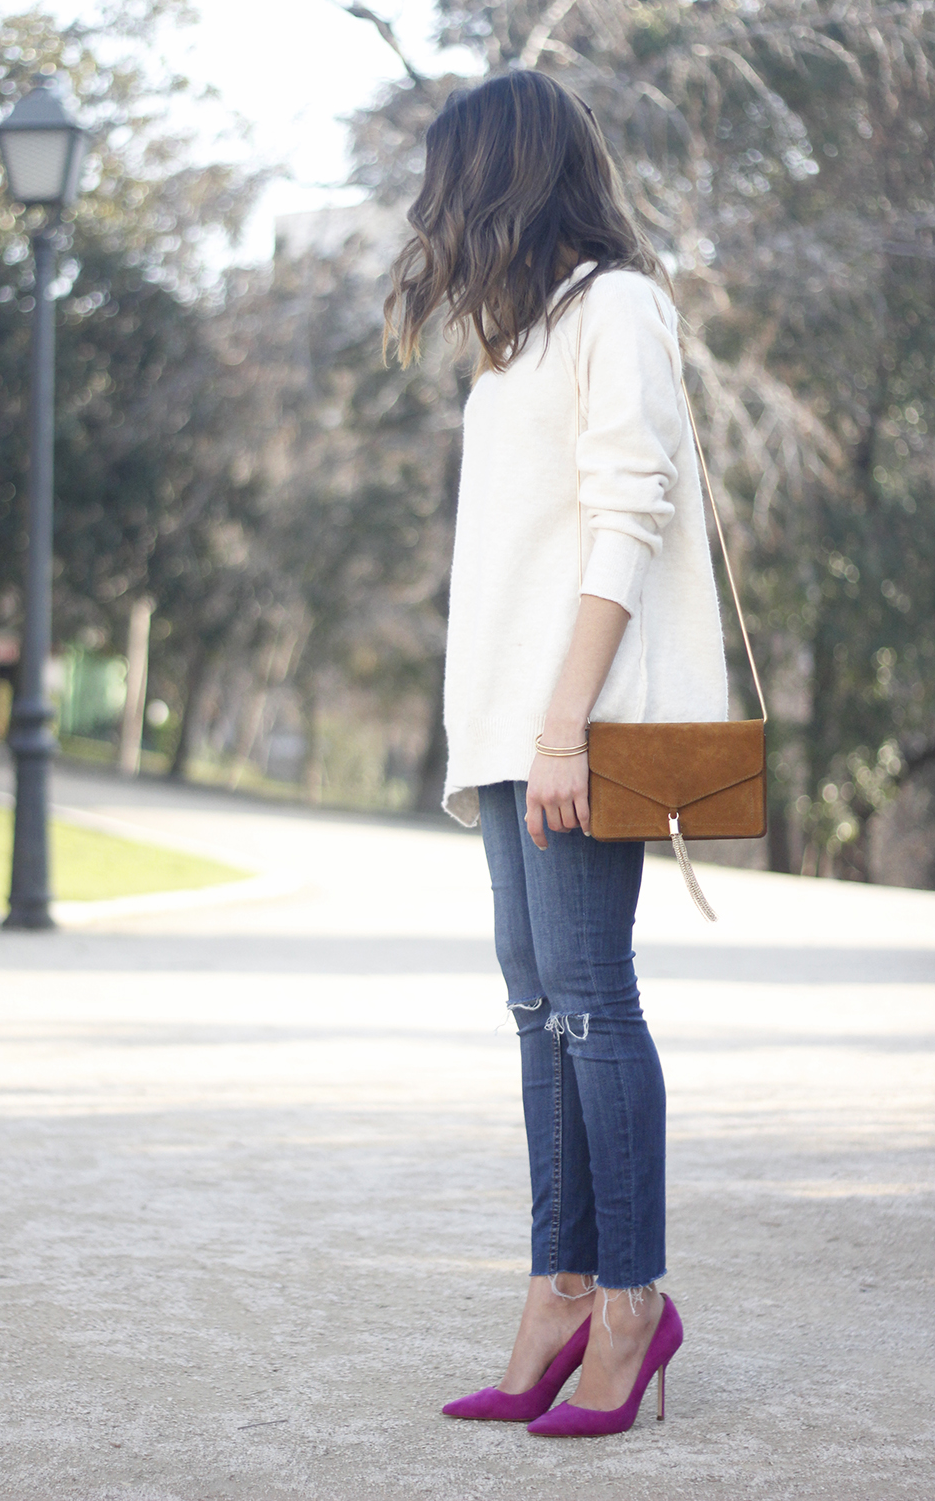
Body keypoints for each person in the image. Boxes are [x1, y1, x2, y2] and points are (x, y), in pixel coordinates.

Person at [384, 71, 728, 1438]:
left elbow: (628, 518)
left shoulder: (616, 308)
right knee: (539, 1010)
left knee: (591, 1001)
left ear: (504, 177)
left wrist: (563, 725)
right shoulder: (519, 339)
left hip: (576, 725)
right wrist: (507, 732)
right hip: (511, 728)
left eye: (449, 180)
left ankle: (631, 1304)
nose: (434, 210)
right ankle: (561, 1291)